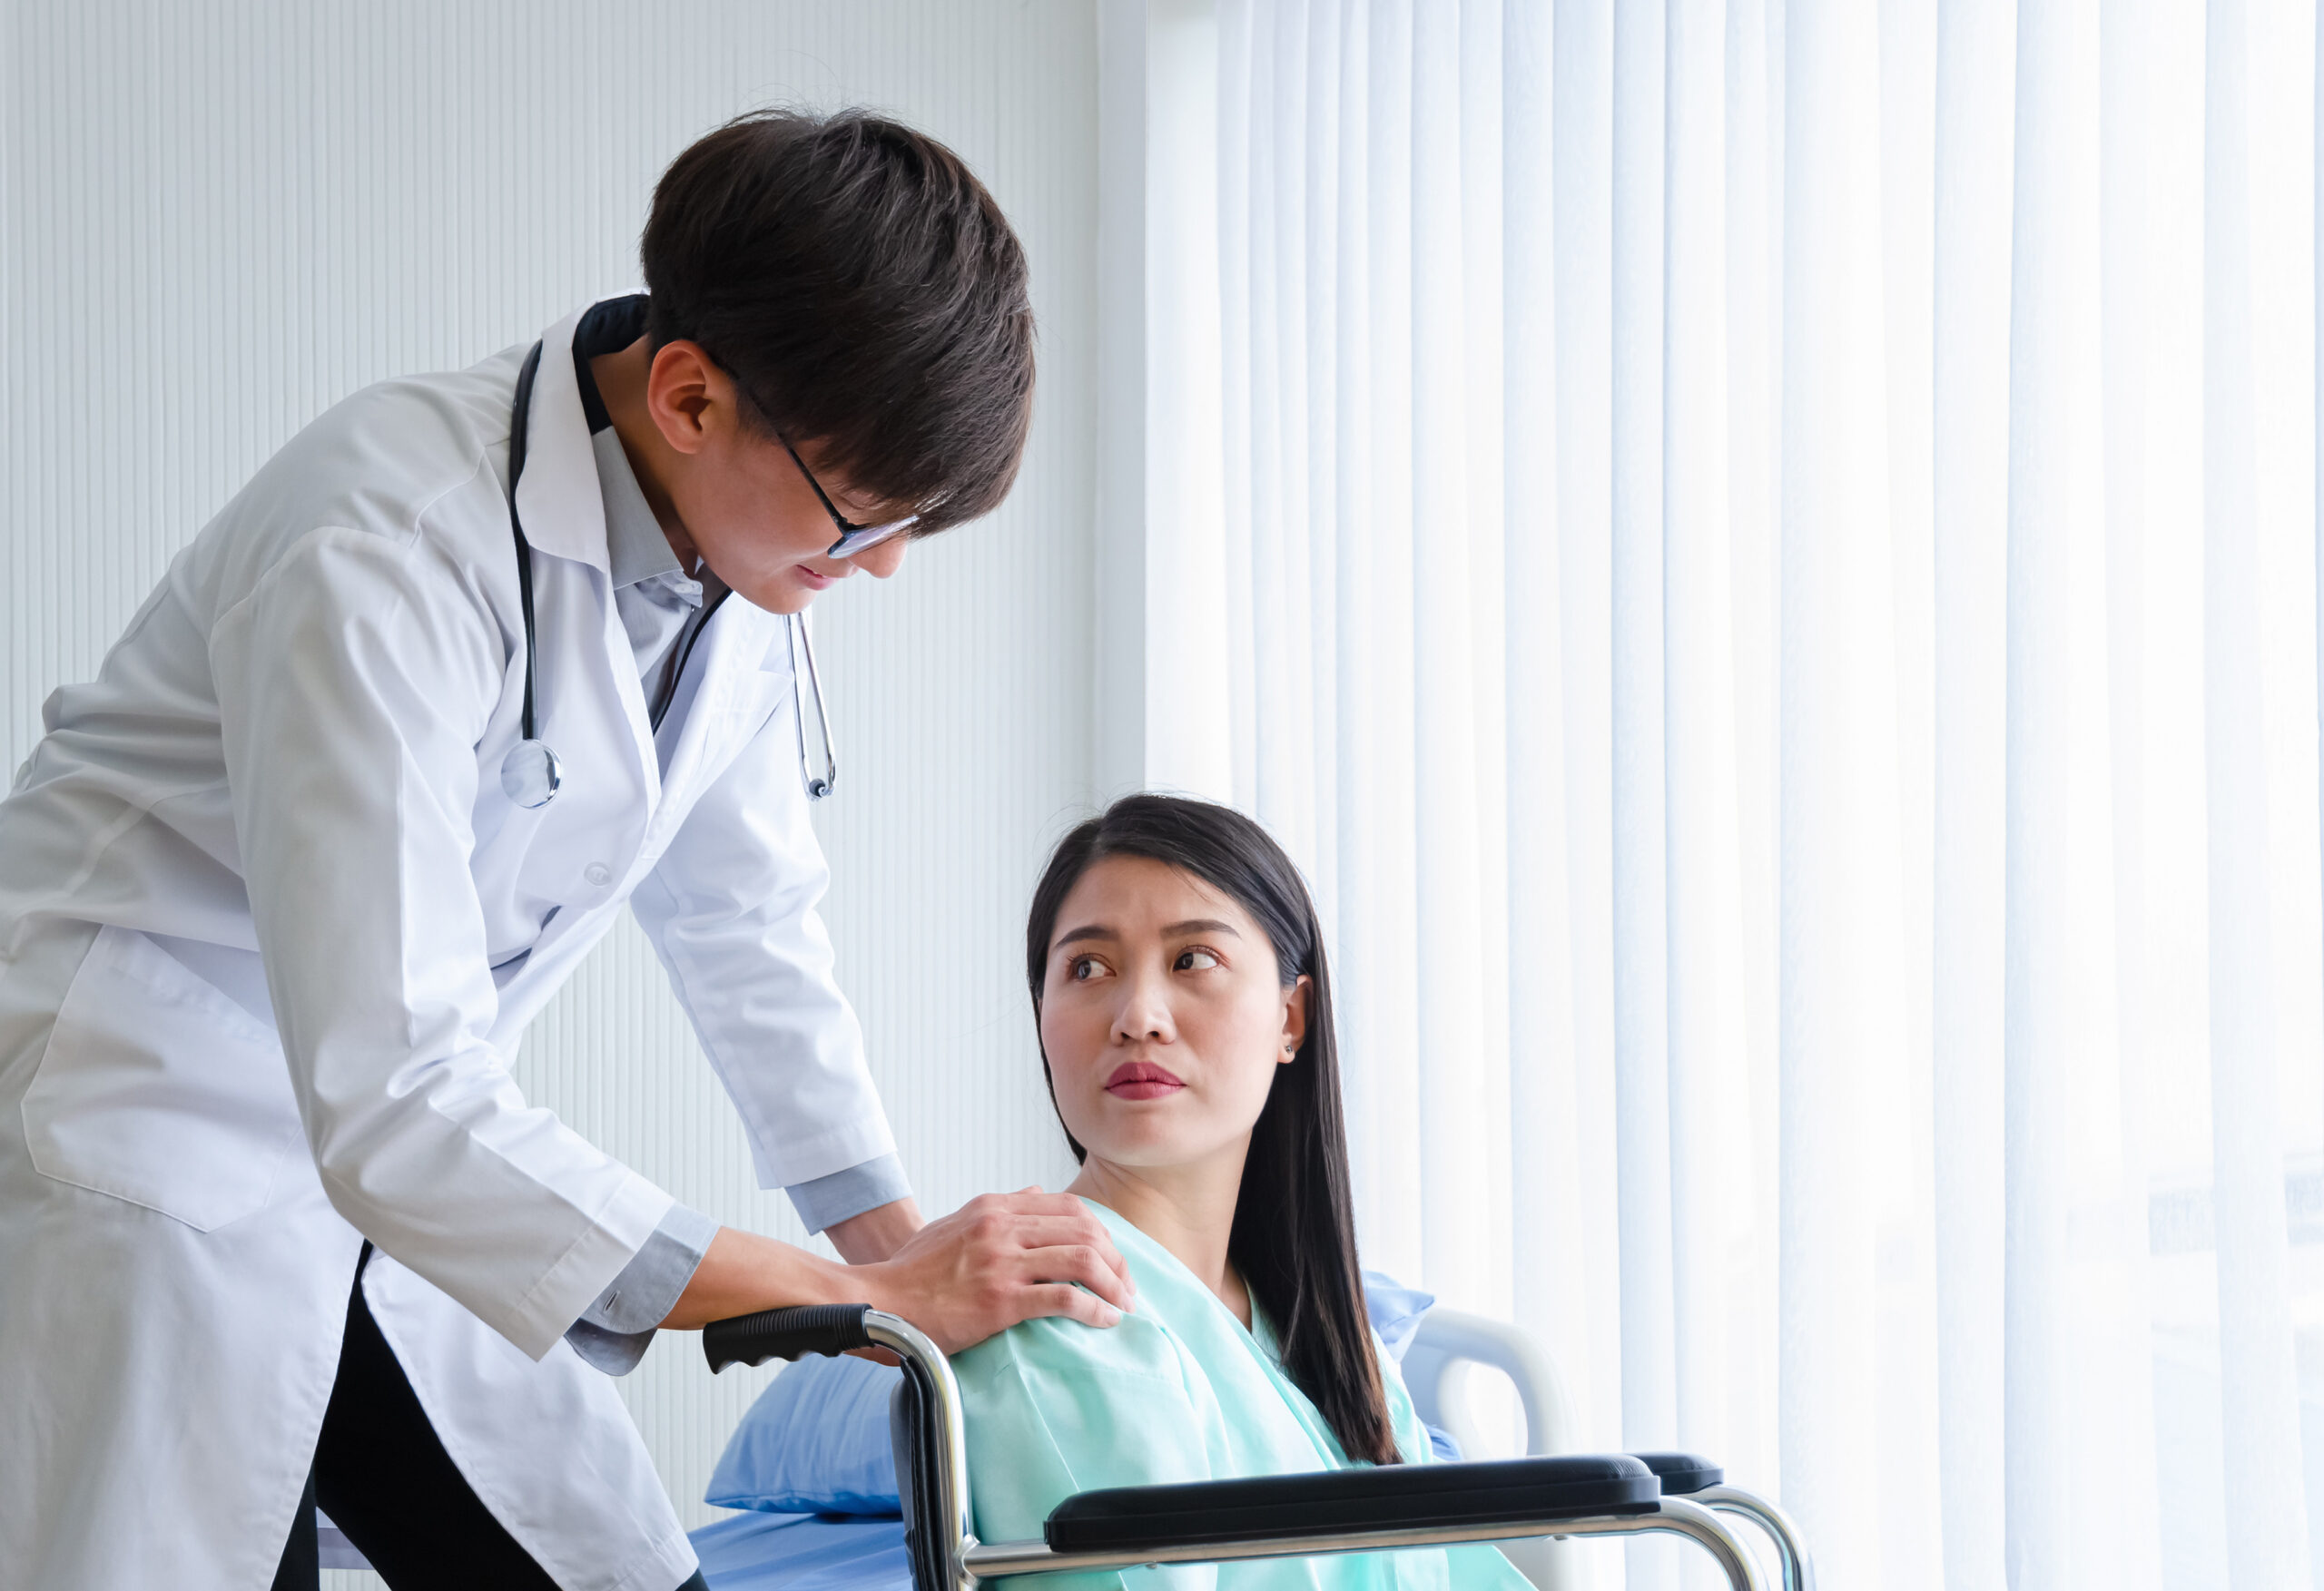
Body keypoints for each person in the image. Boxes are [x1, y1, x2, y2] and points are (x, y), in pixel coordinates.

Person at [0, 109, 1132, 1591]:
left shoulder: (729, 568)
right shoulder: (386, 540)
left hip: (399, 1189)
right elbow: (393, 1092)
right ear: (686, 396)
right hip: (150, 1145)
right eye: (860, 518)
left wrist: (910, 1283)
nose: (884, 568)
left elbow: (751, 933)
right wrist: (849, 1291)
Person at [950, 795, 1530, 1591]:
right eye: (1087, 967)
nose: (1138, 1016)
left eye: (1193, 960)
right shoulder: (1057, 1315)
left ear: (1291, 1017)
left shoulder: (1328, 1336)